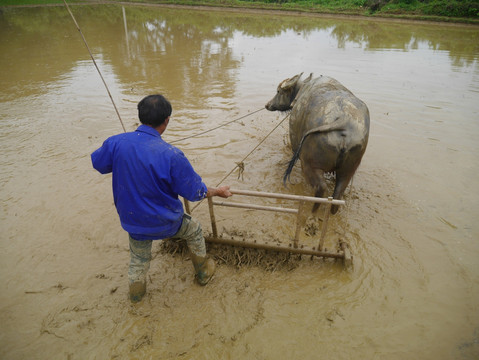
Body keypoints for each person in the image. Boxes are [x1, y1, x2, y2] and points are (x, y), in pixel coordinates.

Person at [91, 94, 232, 303]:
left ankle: (136, 295)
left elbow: (98, 164)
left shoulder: (116, 143)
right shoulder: (172, 154)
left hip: (133, 221)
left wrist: (121, 152)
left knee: (138, 259)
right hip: (166, 222)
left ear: (140, 116)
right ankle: (203, 272)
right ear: (166, 120)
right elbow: (196, 192)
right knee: (193, 229)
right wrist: (218, 191)